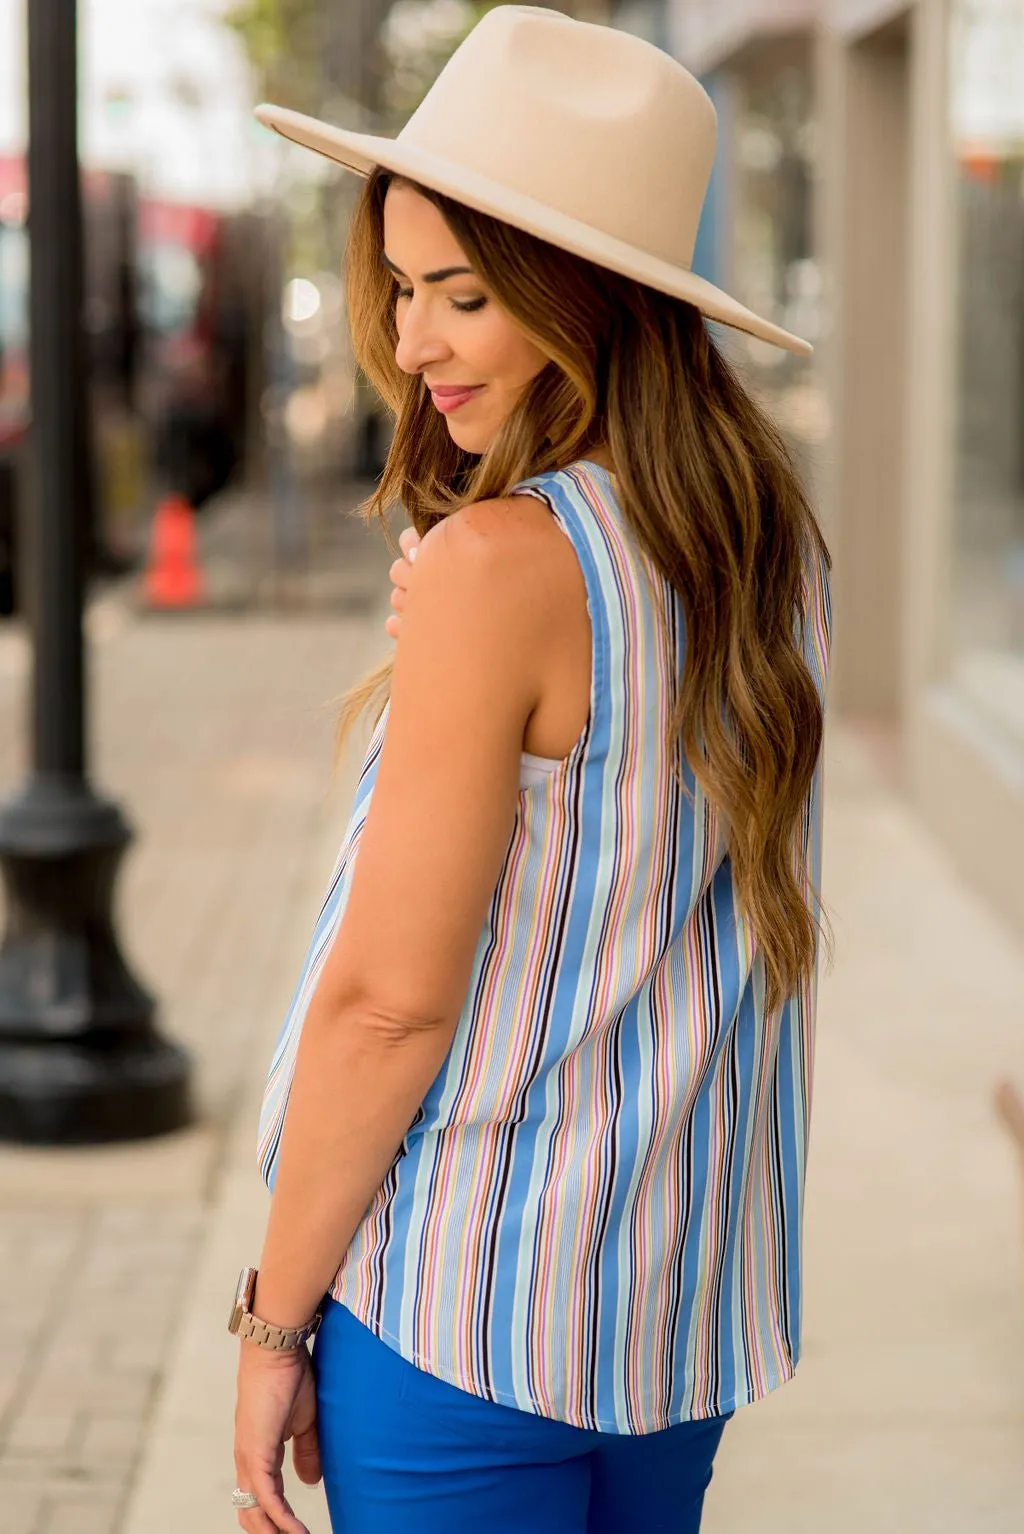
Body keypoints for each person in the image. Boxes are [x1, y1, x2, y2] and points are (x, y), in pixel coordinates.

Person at [229, 9, 832, 1534]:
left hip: (471, 1305)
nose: (412, 340)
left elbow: (388, 1003)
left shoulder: (506, 568)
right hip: (675, 1314)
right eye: (406, 288)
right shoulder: (770, 547)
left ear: (589, 301)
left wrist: (274, 1318)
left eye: (464, 296)